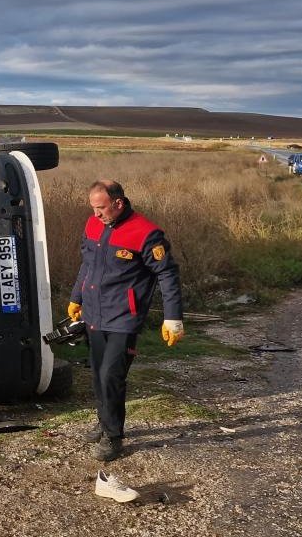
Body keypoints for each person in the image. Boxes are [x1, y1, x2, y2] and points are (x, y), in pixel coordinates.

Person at [68, 180, 183, 461]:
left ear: (118, 203)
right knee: (97, 373)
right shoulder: (93, 225)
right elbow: (88, 264)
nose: (96, 214)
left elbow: (167, 274)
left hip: (124, 317)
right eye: (93, 208)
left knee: (112, 375)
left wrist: (173, 318)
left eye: (101, 208)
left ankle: (113, 437)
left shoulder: (146, 234)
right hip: (95, 313)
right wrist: (76, 297)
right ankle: (103, 420)